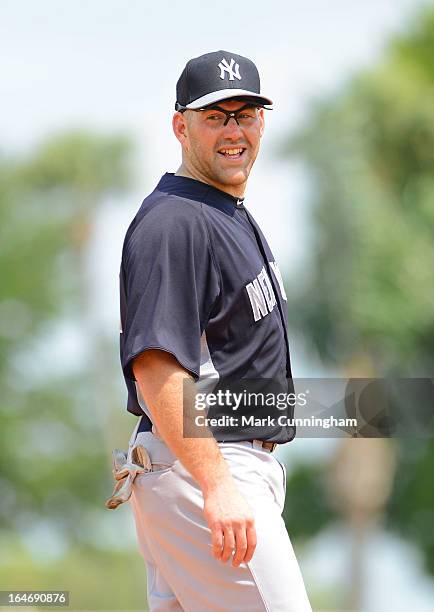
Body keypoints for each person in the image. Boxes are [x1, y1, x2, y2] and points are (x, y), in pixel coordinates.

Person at [107, 50, 312, 611]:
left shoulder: (223, 211)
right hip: (208, 465)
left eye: (245, 114)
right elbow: (155, 367)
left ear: (262, 123)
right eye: (214, 116)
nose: (233, 131)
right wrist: (217, 484)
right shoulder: (176, 222)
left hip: (206, 469)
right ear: (180, 126)